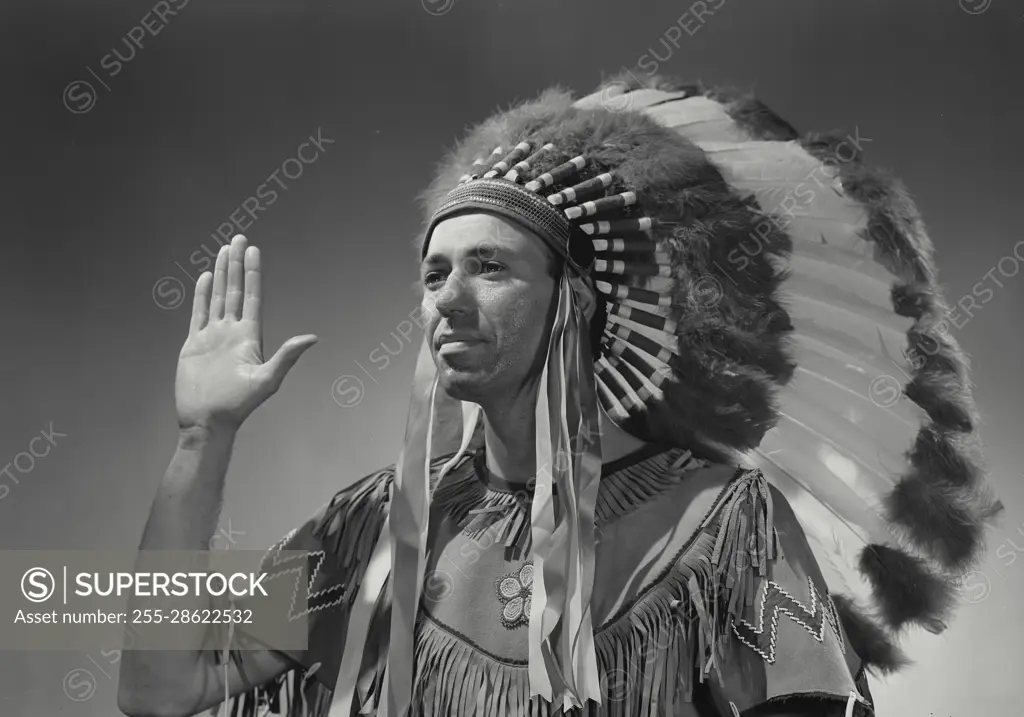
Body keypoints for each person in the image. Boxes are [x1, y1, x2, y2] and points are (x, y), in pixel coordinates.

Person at [118, 74, 999, 717]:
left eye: (489, 267)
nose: (445, 300)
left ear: (576, 299)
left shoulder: (723, 524)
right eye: (433, 274)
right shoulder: (374, 530)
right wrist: (204, 436)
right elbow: (157, 686)